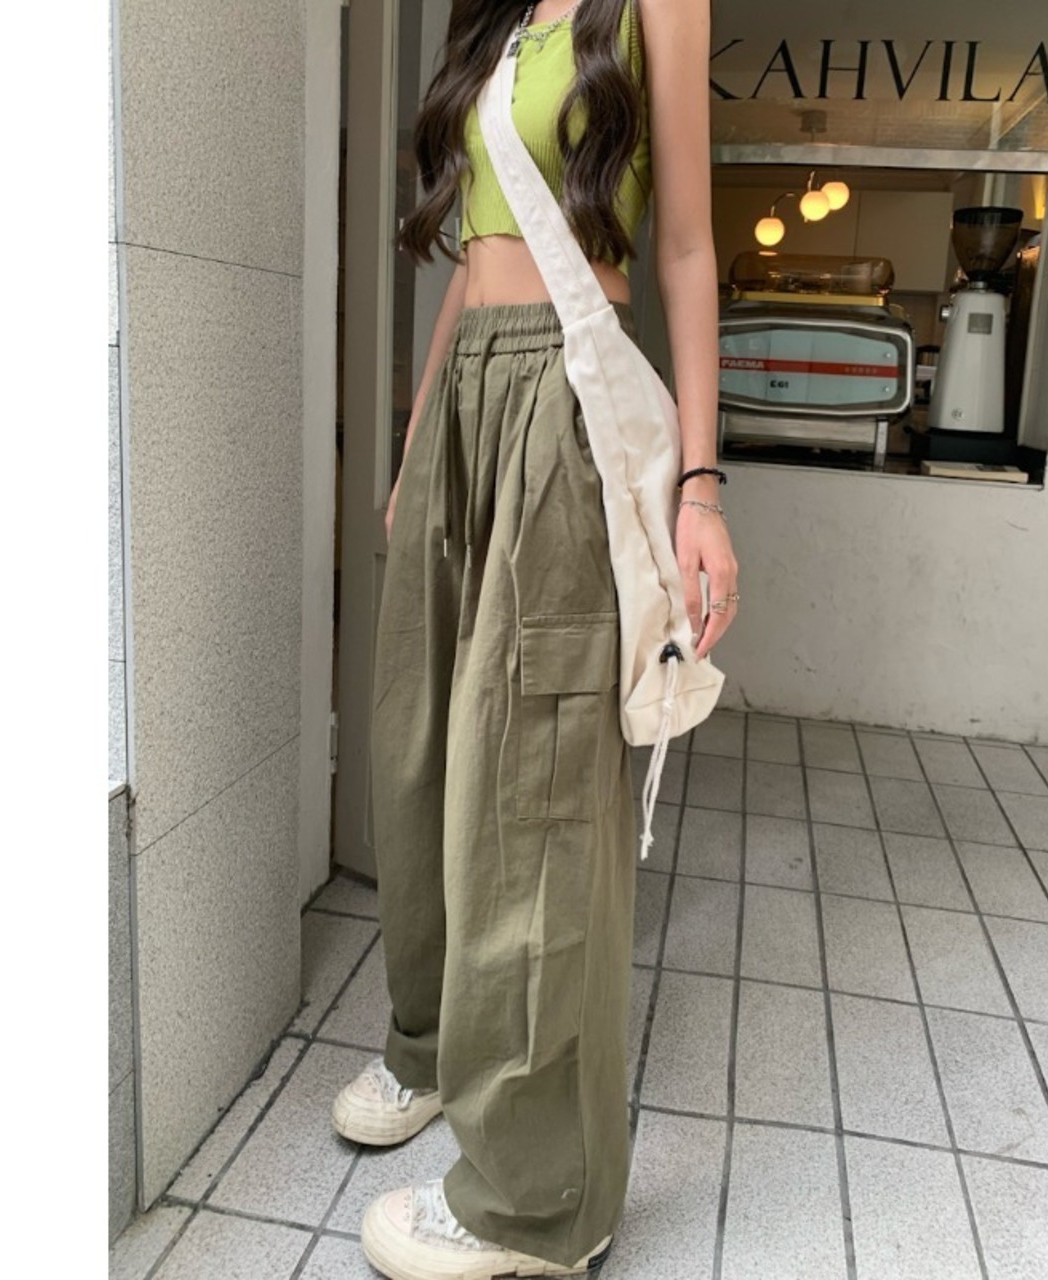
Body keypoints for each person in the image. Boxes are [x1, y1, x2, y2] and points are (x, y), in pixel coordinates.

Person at [331, 2, 738, 1276]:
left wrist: (700, 487)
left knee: (533, 785)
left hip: (563, 398)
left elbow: (684, 247)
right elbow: (470, 263)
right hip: (461, 405)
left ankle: (538, 1200)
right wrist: (418, 442)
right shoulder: (497, 19)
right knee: (415, 746)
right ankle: (430, 1044)